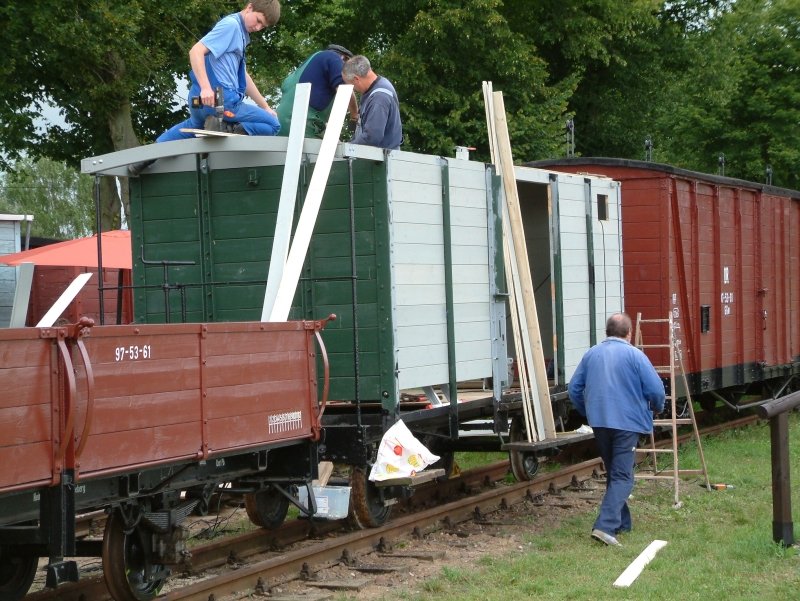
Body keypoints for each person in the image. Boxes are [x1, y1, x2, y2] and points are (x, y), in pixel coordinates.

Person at [568, 312, 665, 547]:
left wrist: (588, 410)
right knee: (623, 476)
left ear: (606, 332)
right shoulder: (635, 355)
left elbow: (574, 388)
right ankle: (605, 526)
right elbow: (656, 389)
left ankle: (623, 523)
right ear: (629, 333)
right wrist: (657, 408)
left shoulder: (591, 354)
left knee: (614, 472)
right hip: (627, 423)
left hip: (600, 422)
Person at [155, 1, 281, 143]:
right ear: (250, 7)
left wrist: (265, 107)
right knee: (273, 124)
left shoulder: (240, 33)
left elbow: (243, 77)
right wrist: (206, 88)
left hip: (198, 102)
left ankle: (149, 154)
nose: (258, 28)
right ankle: (224, 127)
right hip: (219, 101)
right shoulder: (232, 26)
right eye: (258, 20)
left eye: (262, 26)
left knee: (193, 125)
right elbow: (196, 51)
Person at [276, 44, 360, 138]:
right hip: (303, 125)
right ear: (344, 58)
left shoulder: (305, 66)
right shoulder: (334, 58)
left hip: (278, 124)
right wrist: (354, 116)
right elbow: (344, 91)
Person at [341, 55, 402, 150]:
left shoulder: (379, 98)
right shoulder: (375, 88)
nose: (353, 89)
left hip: (381, 161)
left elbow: (372, 137)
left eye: (351, 84)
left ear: (356, 79)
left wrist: (346, 148)